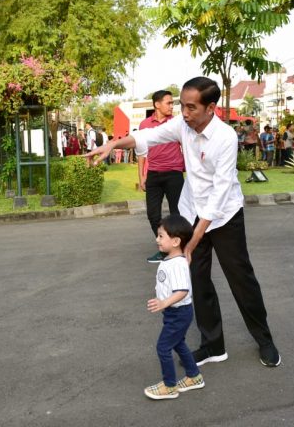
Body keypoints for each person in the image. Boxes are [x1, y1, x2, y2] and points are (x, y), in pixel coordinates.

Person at [87, 77, 281, 368]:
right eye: (182, 106)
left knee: (241, 280)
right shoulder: (182, 125)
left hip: (224, 215)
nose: (185, 113)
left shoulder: (225, 137)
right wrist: (112, 144)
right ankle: (213, 345)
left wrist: (190, 243)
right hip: (193, 211)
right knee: (199, 282)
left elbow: (219, 195)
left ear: (211, 108)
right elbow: (147, 137)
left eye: (191, 107)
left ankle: (264, 340)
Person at [144, 214, 205, 400]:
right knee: (178, 343)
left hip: (179, 313)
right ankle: (194, 377)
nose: (157, 240)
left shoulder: (177, 264)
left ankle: (169, 386)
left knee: (163, 347)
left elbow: (182, 291)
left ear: (176, 241)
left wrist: (164, 302)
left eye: (161, 236)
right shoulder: (170, 259)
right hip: (174, 312)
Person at [139, 90, 185, 264]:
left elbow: (185, 145)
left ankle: (180, 249)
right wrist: (142, 176)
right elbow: (141, 152)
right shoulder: (145, 124)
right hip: (153, 174)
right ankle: (166, 248)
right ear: (157, 105)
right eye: (168, 103)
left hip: (174, 173)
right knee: (153, 215)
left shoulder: (176, 123)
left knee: (177, 214)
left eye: (172, 103)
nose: (172, 106)